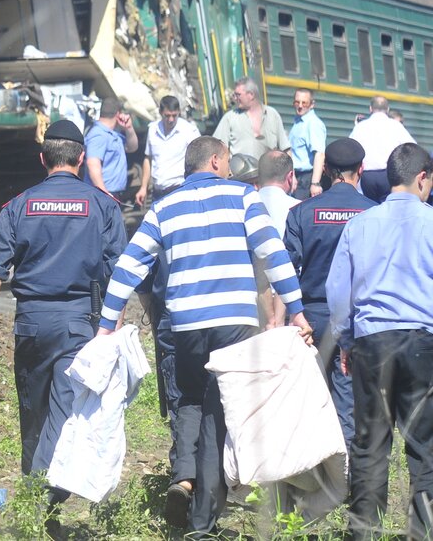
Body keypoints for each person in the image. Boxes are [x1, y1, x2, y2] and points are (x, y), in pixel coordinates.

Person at [97, 136, 312, 535]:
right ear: (215, 161)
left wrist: (106, 325)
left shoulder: (164, 207)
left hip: (186, 325)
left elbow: (127, 267)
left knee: (192, 399)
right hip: (234, 322)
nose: (230, 168)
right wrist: (296, 312)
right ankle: (202, 520)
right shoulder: (244, 198)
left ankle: (183, 476)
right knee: (219, 413)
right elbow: (275, 255)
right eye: (227, 161)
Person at [0, 120, 126, 536]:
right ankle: (36, 504)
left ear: (44, 159)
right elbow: (120, 274)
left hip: (30, 323)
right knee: (63, 414)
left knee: (34, 412)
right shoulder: (104, 206)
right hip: (80, 322)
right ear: (81, 158)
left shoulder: (19, 205)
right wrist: (112, 328)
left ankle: (39, 509)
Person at [326, 142, 433, 540]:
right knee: (425, 448)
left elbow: (339, 293)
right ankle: (420, 533)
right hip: (423, 341)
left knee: (370, 446)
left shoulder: (360, 225)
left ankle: (362, 534)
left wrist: (347, 341)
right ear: (422, 177)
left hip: (373, 343)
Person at [282, 137, 373, 449]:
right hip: (357, 318)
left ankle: (313, 463)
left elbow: (285, 270)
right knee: (347, 394)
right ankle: (344, 466)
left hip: (312, 317)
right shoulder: (373, 213)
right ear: (360, 169)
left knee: (310, 395)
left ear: (328, 171)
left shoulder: (302, 212)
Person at [255, 149, 298, 329]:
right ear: (290, 177)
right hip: (288, 303)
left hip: (253, 302)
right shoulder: (299, 209)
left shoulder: (243, 205)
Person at [134, 95, 200, 208]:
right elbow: (148, 159)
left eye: (174, 116)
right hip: (158, 192)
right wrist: (143, 187)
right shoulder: (152, 130)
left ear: (179, 112)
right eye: (167, 116)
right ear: (160, 113)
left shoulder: (189, 131)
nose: (171, 120)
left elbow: (200, 158)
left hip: (179, 189)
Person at [349, 96, 416, 203]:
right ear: (388, 109)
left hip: (367, 175)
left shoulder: (360, 127)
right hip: (387, 175)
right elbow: (411, 147)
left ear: (370, 109)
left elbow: (351, 147)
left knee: (368, 205)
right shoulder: (396, 126)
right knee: (387, 205)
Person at [213, 77, 289, 160]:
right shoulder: (229, 118)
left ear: (251, 95)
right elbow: (216, 147)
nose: (235, 98)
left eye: (238, 95)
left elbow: (285, 148)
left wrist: (292, 171)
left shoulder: (272, 115)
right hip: (240, 172)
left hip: (268, 171)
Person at [84, 97, 137, 199]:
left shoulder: (112, 134)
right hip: (102, 194)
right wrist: (103, 192)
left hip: (110, 193)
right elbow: (92, 163)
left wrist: (129, 128)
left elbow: (132, 148)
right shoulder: (98, 135)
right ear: (118, 114)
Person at [288, 88, 327, 200]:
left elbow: (319, 154)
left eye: (304, 102)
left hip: (306, 179)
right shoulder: (298, 122)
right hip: (296, 177)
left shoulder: (313, 124)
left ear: (312, 104)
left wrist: (315, 184)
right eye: (297, 102)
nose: (300, 106)